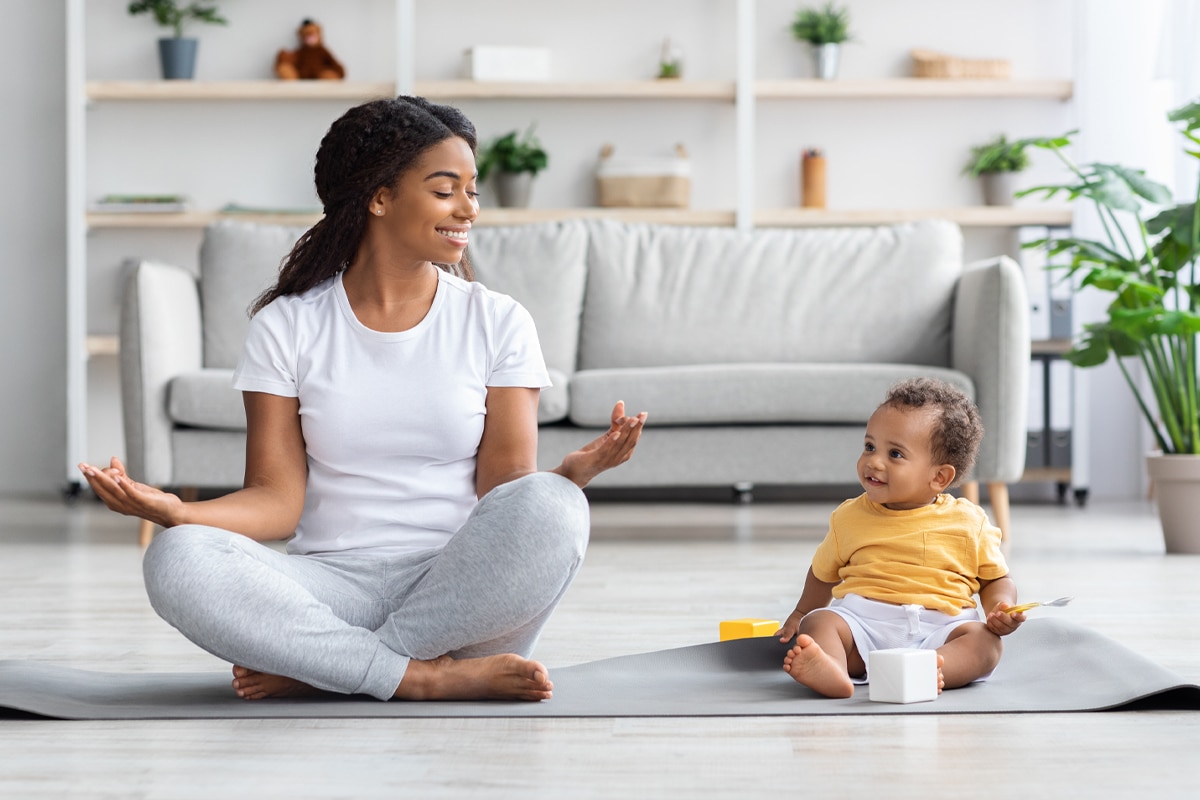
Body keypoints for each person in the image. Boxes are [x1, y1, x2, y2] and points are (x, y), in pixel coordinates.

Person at [78, 95, 647, 703]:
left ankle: (330, 665)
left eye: (472, 191)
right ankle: (420, 676)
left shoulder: (499, 321)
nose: (468, 209)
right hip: (327, 585)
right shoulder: (287, 326)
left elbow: (505, 491)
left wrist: (568, 475)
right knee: (177, 558)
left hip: (458, 590)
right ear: (380, 197)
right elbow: (277, 502)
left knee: (555, 505)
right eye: (445, 189)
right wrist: (178, 512)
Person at [775, 377, 1023, 698]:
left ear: (939, 477)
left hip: (941, 630)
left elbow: (996, 579)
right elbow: (822, 574)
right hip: (865, 623)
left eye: (895, 454)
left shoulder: (968, 521)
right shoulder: (849, 517)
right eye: (869, 446)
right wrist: (800, 614)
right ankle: (832, 669)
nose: (873, 461)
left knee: (986, 644)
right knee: (820, 623)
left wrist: (1000, 607)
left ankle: (930, 670)